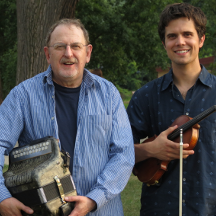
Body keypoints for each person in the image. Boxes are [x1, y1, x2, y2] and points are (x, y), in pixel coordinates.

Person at [0, 18, 134, 216]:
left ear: (87, 53)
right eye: (60, 46)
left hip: (102, 210)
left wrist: (93, 199)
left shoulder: (109, 94)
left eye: (76, 46)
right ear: (47, 54)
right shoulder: (23, 96)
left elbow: (123, 155)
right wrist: (2, 196)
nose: (68, 53)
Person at [127, 3, 216, 216]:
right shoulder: (145, 96)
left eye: (187, 34)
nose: (180, 42)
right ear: (164, 42)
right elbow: (116, 152)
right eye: (172, 36)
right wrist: (151, 150)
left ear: (201, 40)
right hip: (158, 209)